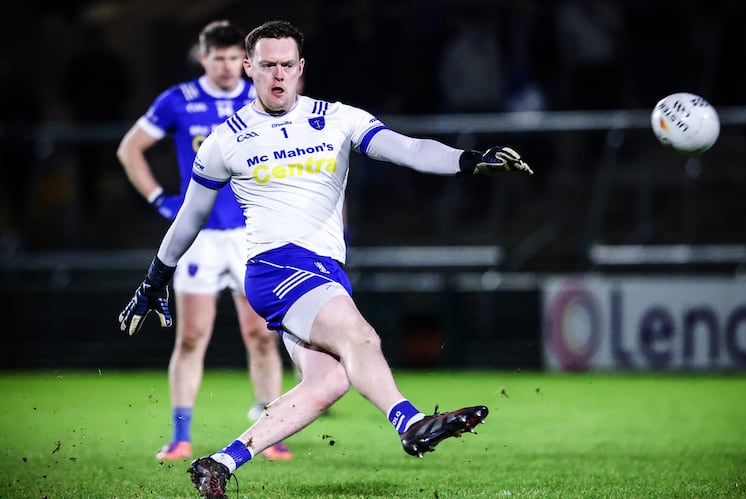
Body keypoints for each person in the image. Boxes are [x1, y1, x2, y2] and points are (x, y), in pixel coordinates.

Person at [118, 20, 532, 498]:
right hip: (276, 269)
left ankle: (219, 463)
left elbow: (408, 149)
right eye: (267, 65)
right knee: (360, 335)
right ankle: (412, 422)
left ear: (301, 67)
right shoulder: (224, 141)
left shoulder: (338, 118)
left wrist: (469, 158)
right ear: (249, 68)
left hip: (323, 270)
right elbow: (189, 218)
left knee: (328, 383)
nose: (277, 75)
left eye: (287, 65)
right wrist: (154, 279)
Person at [116, 20, 292, 462]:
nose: (230, 67)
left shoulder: (262, 96)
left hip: (252, 235)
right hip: (201, 238)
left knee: (262, 335)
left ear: (246, 60)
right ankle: (180, 436)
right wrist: (159, 200)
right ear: (204, 58)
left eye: (237, 58)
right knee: (192, 336)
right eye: (221, 58)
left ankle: (271, 432)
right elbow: (129, 148)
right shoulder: (178, 100)